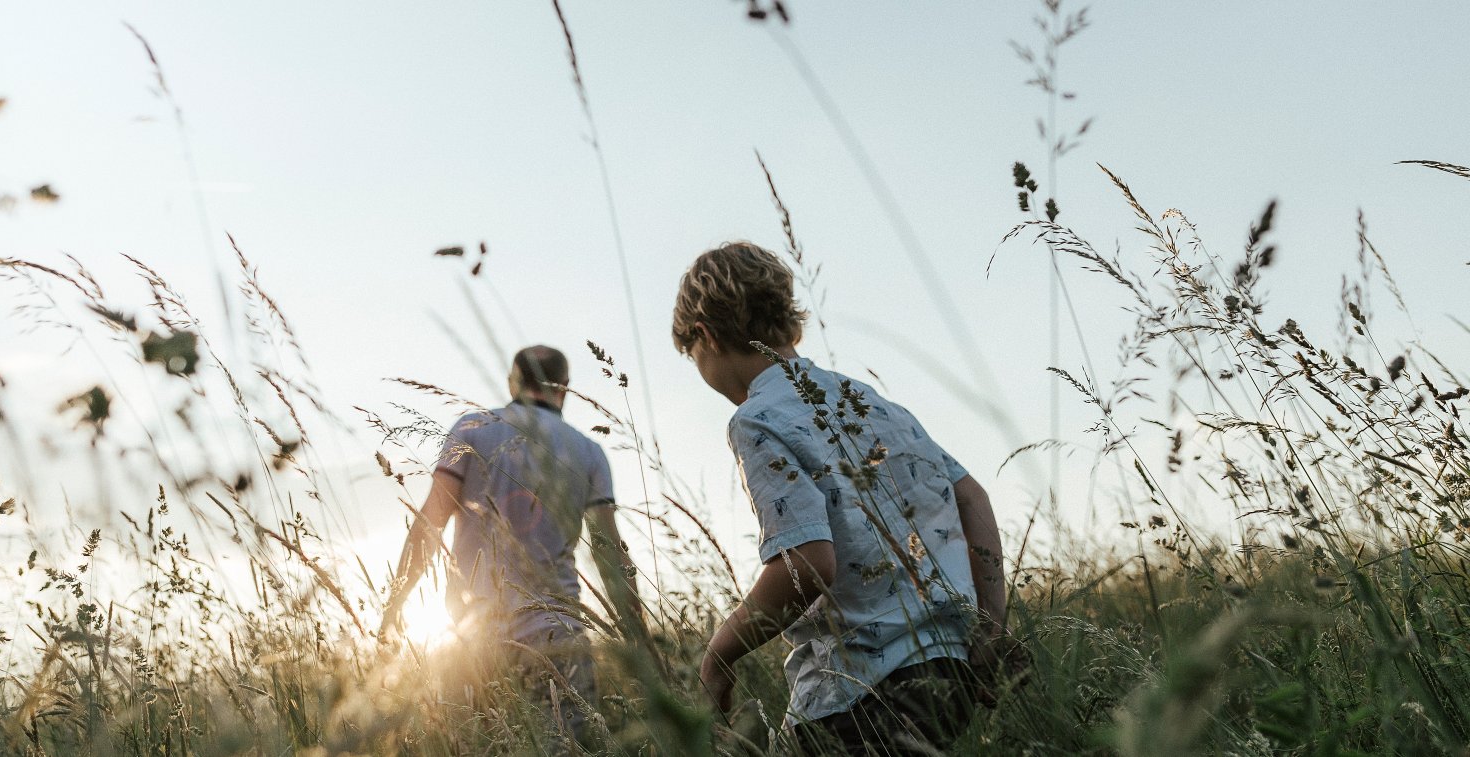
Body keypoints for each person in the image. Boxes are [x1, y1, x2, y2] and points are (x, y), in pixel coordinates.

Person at [671, 242, 1021, 755]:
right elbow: (972, 496)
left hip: (858, 694)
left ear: (704, 336)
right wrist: (990, 627)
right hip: (950, 671)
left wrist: (718, 654)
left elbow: (809, 563)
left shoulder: (756, 418)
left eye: (695, 358)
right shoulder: (869, 400)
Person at [379, 345, 638, 747]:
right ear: (564, 389)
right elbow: (609, 551)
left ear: (512, 382)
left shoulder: (472, 429)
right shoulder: (589, 452)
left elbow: (429, 524)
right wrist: (636, 634)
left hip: (474, 641)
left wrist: (394, 607)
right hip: (558, 639)